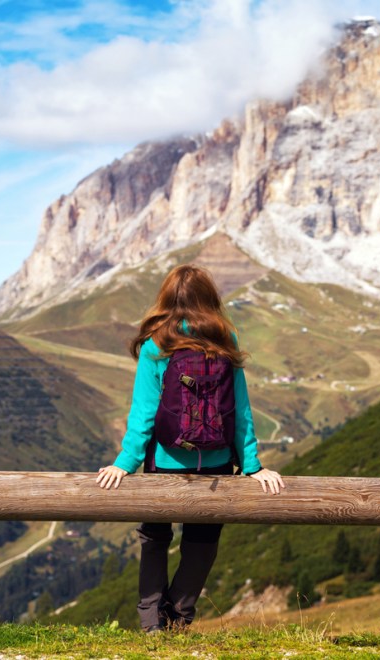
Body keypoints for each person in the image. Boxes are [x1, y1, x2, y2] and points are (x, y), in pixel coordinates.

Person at [95, 264, 285, 632]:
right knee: (201, 543)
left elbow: (144, 414)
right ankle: (179, 618)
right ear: (210, 301)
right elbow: (240, 411)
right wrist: (253, 466)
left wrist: (125, 462)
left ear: (166, 301)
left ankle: (152, 623)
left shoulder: (157, 346)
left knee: (154, 538)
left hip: (165, 460)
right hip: (215, 464)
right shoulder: (224, 343)